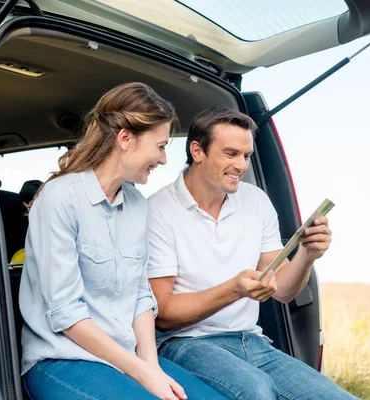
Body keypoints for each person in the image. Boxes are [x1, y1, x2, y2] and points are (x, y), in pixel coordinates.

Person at [19, 83, 226, 400]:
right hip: (63, 358)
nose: (164, 159)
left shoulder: (137, 204)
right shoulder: (60, 198)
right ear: (126, 139)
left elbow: (141, 297)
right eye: (159, 146)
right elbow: (65, 314)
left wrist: (152, 367)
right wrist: (140, 372)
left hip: (125, 357)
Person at [147, 107, 358, 399]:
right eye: (230, 153)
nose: (241, 165)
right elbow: (165, 314)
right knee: (257, 391)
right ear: (197, 150)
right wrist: (234, 289)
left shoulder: (256, 201)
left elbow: (282, 290)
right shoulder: (158, 211)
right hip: (185, 343)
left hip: (252, 342)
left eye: (246, 156)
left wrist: (307, 254)